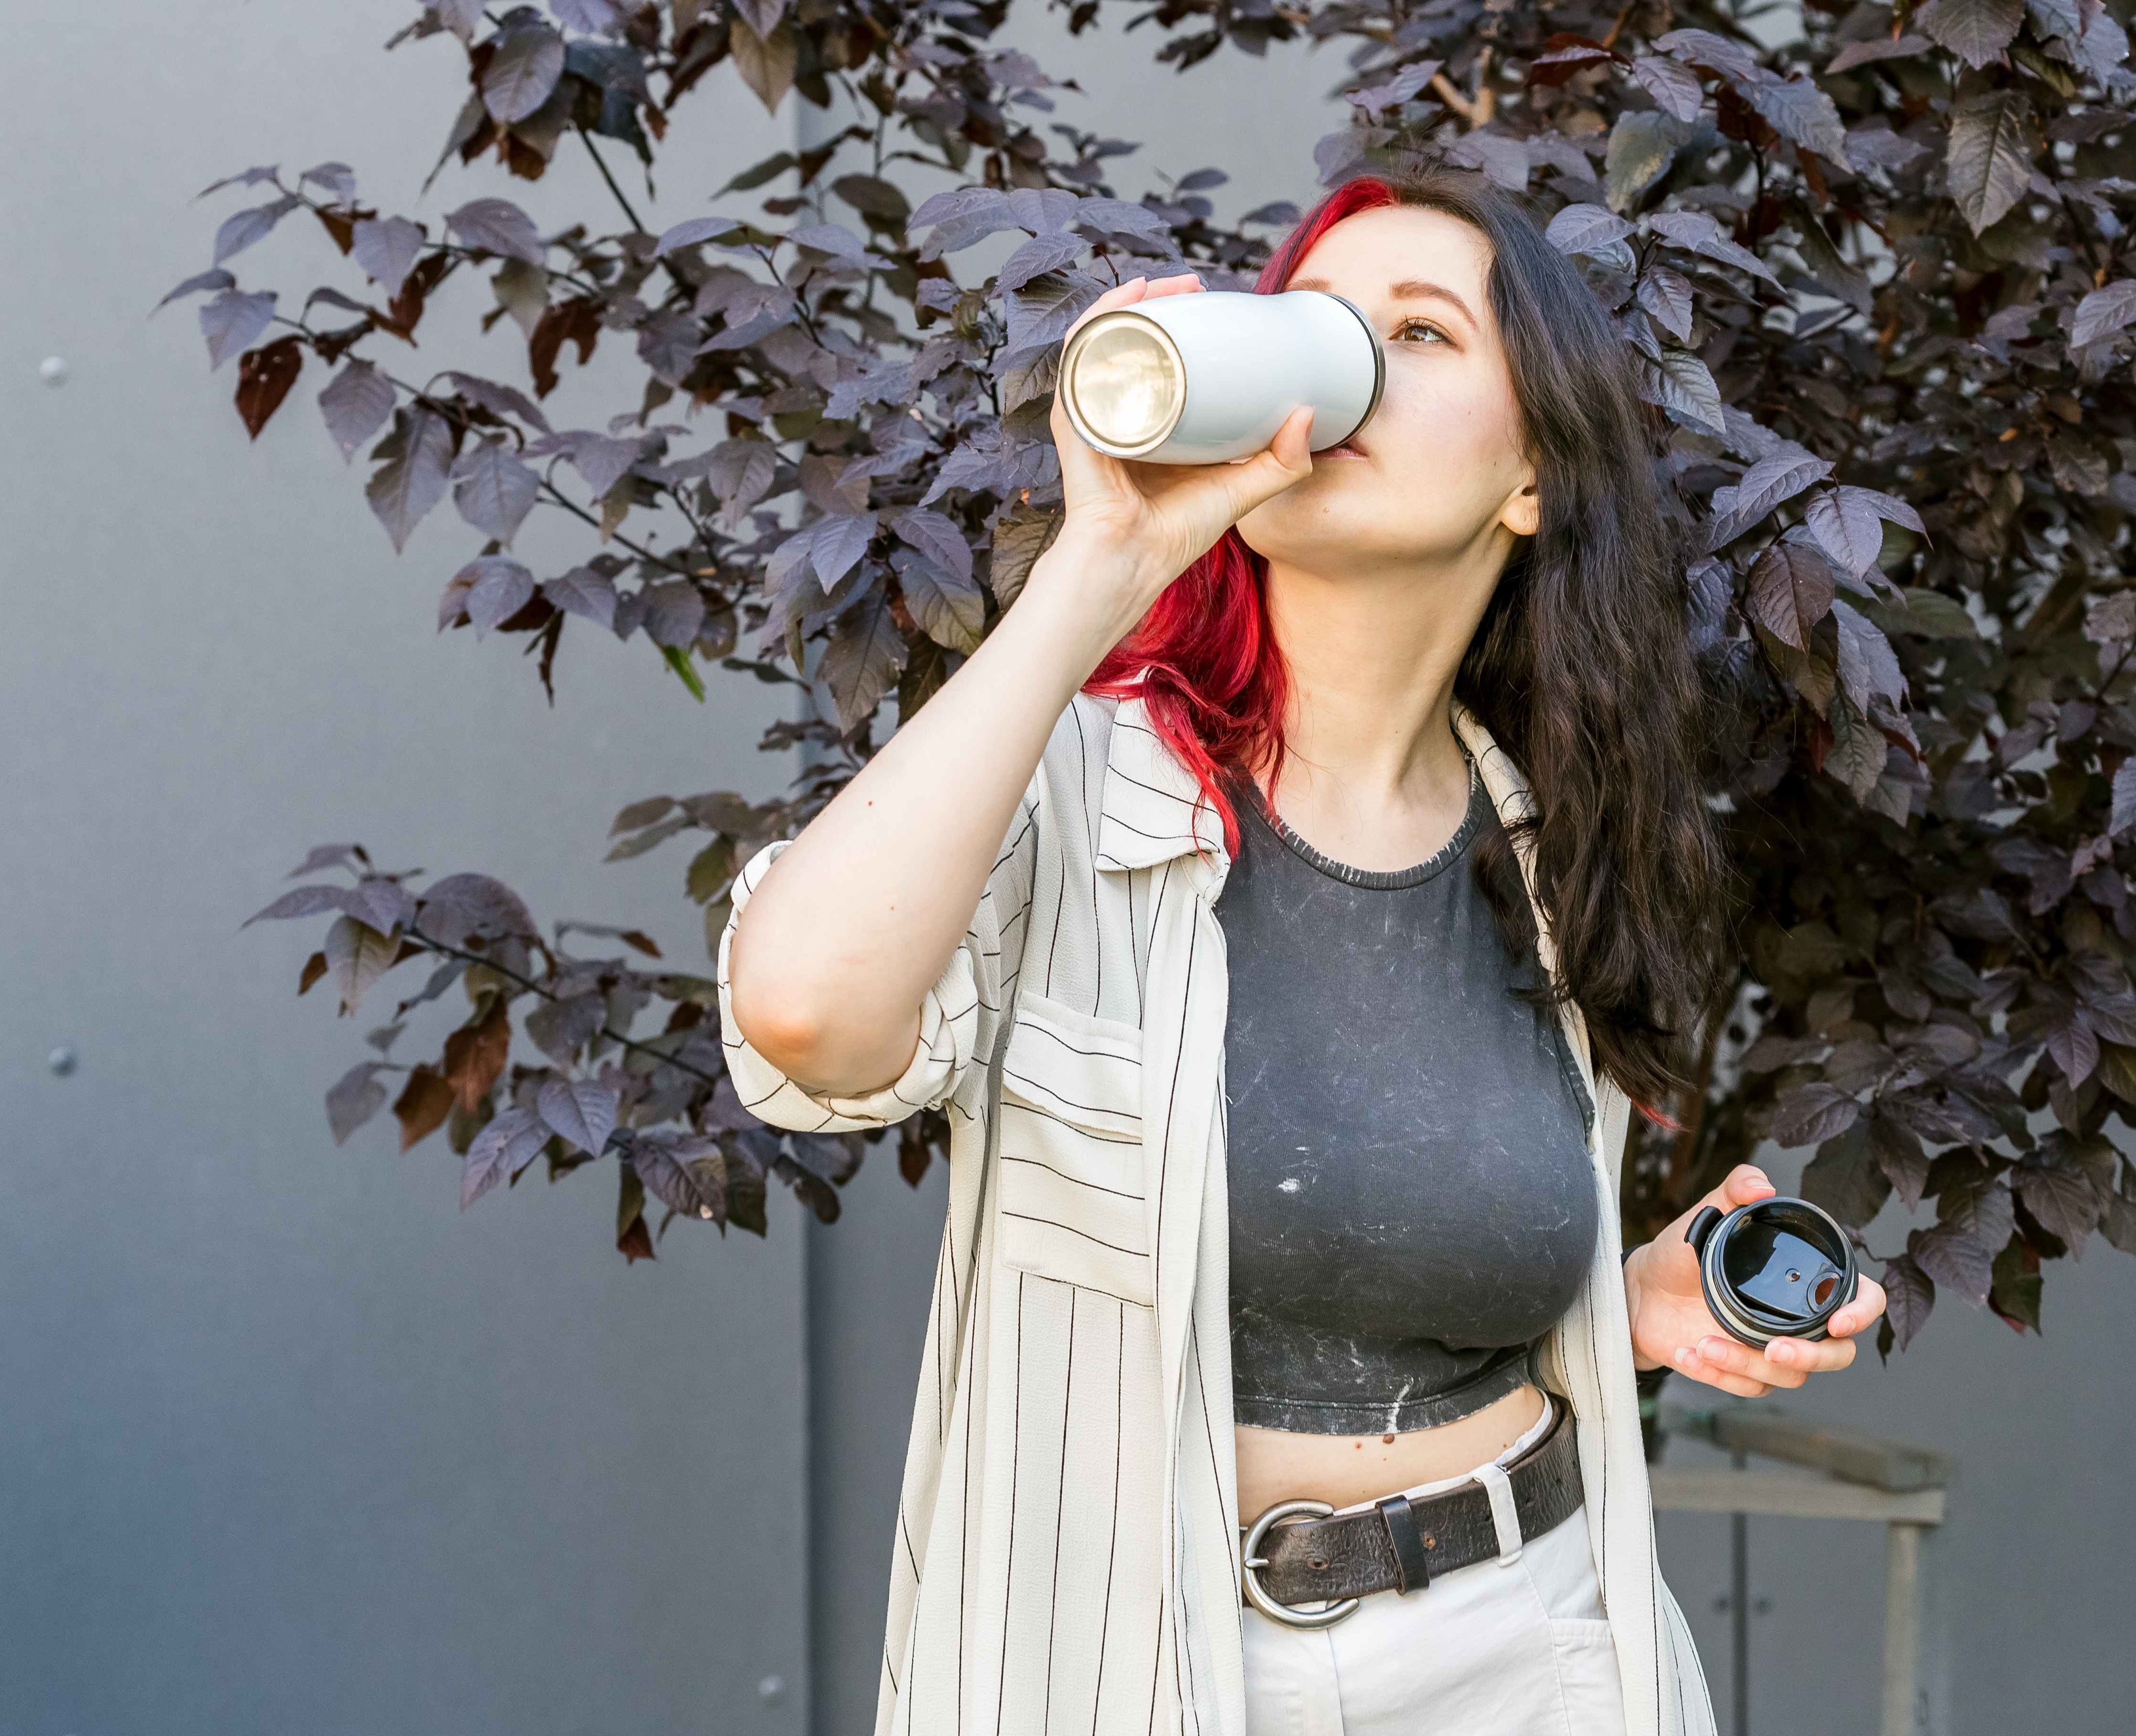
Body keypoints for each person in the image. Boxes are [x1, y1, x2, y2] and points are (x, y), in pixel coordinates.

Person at [717, 167, 1889, 1736]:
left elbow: (1356, 1254)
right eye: (1320, 324)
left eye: (1417, 333)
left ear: (1530, 479)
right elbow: (803, 1018)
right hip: (1150, 1662)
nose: (1347, 366)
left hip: (1537, 1652)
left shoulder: (1551, 843)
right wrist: (1101, 566)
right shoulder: (1074, 785)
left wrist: (1620, 1300)